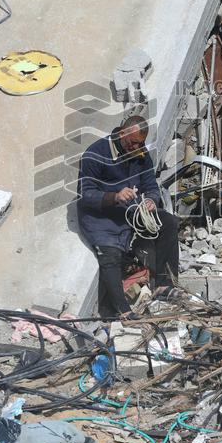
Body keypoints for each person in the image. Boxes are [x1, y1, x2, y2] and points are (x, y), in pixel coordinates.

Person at [76, 115, 179, 319]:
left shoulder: (140, 152)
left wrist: (151, 199)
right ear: (122, 133)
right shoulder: (94, 154)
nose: (136, 148)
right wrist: (114, 196)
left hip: (129, 212)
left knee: (167, 222)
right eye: (132, 143)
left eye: (140, 144)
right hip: (100, 216)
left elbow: (151, 185)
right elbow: (85, 194)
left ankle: (164, 285)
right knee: (110, 254)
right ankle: (122, 311)